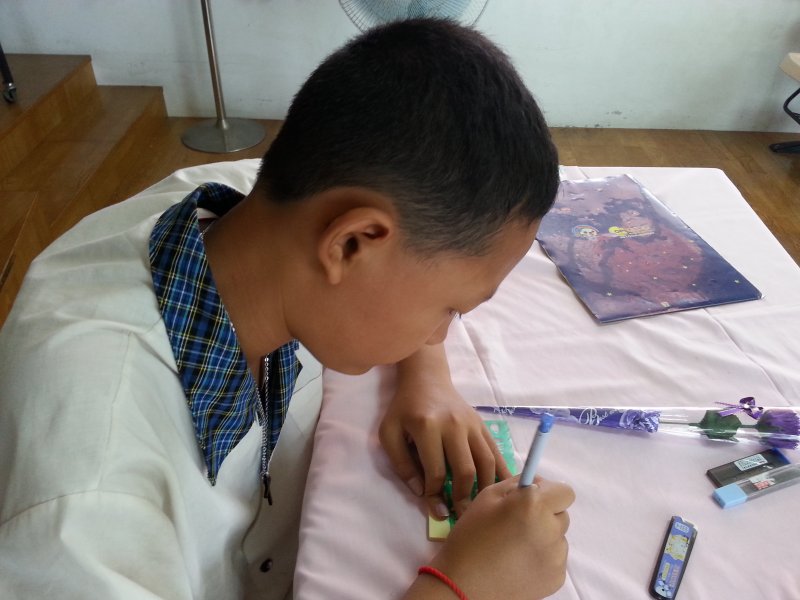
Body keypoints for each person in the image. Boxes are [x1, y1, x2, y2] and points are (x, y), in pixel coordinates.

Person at [0, 18, 574, 600]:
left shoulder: (265, 206)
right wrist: (462, 587)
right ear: (350, 245)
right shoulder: (87, 489)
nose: (440, 334)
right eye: (451, 309)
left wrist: (427, 376)